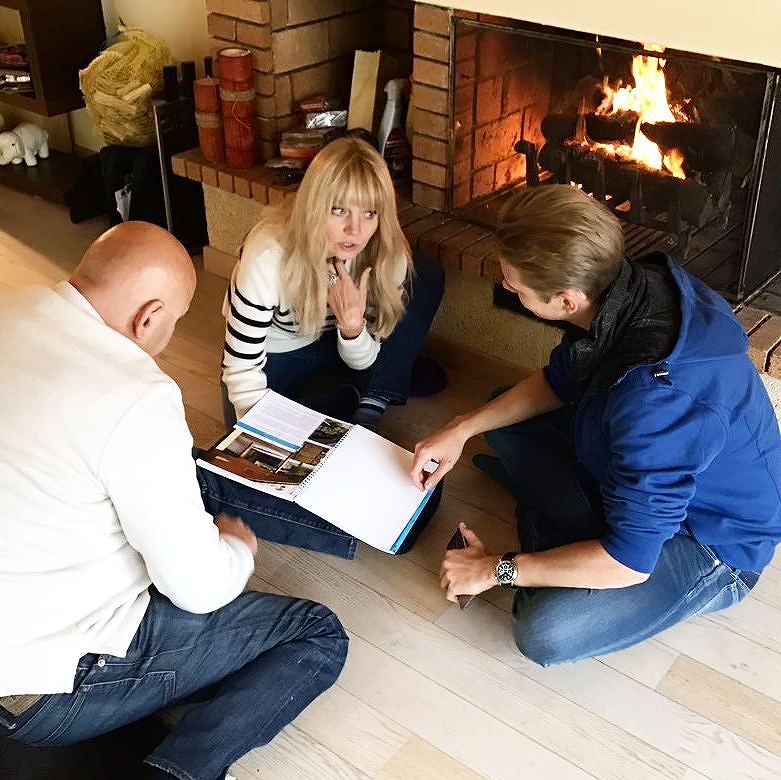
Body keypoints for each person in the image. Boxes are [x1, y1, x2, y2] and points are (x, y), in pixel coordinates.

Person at [0, 223, 348, 780]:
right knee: (317, 633)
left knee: (182, 470)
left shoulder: (14, 307)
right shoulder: (136, 394)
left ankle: (342, 525)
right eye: (177, 320)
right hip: (37, 688)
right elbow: (199, 590)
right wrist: (236, 551)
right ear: (149, 315)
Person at [411, 184, 781, 666]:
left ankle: (554, 530)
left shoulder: (657, 402)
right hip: (636, 456)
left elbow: (628, 563)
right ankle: (559, 527)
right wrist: (460, 428)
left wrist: (494, 570)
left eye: (514, 287)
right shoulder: (631, 288)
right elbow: (561, 380)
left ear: (567, 300)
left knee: (544, 633)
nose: (505, 286)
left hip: (711, 542)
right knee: (499, 418)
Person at [221, 135, 445, 433]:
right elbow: (242, 368)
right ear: (315, 206)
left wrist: (352, 327)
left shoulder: (386, 255)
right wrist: (261, 433)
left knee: (425, 275)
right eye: (339, 210)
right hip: (278, 352)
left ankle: (368, 402)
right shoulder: (268, 255)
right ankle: (366, 390)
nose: (355, 230)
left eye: (369, 213)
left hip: (338, 345)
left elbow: (364, 358)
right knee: (248, 428)